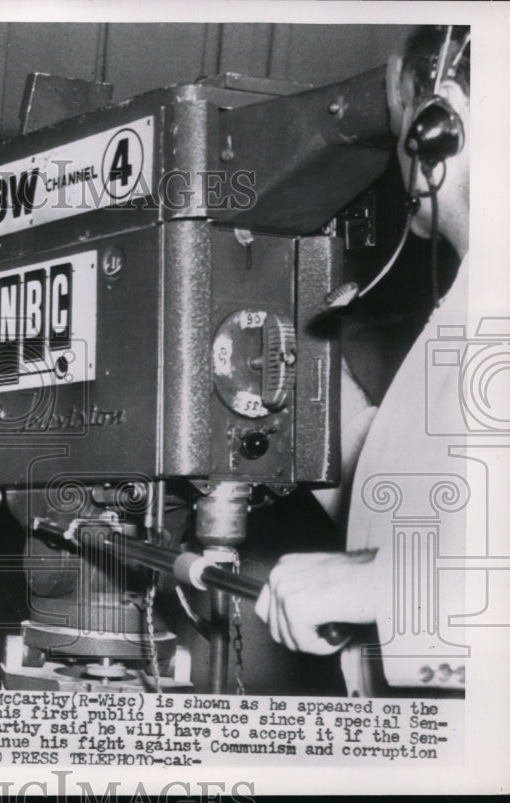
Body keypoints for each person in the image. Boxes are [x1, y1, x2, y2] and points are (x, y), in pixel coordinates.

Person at [255, 25, 471, 695]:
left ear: (444, 121)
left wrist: (375, 583)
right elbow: (403, 495)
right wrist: (282, 362)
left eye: (401, 111)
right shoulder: (474, 302)